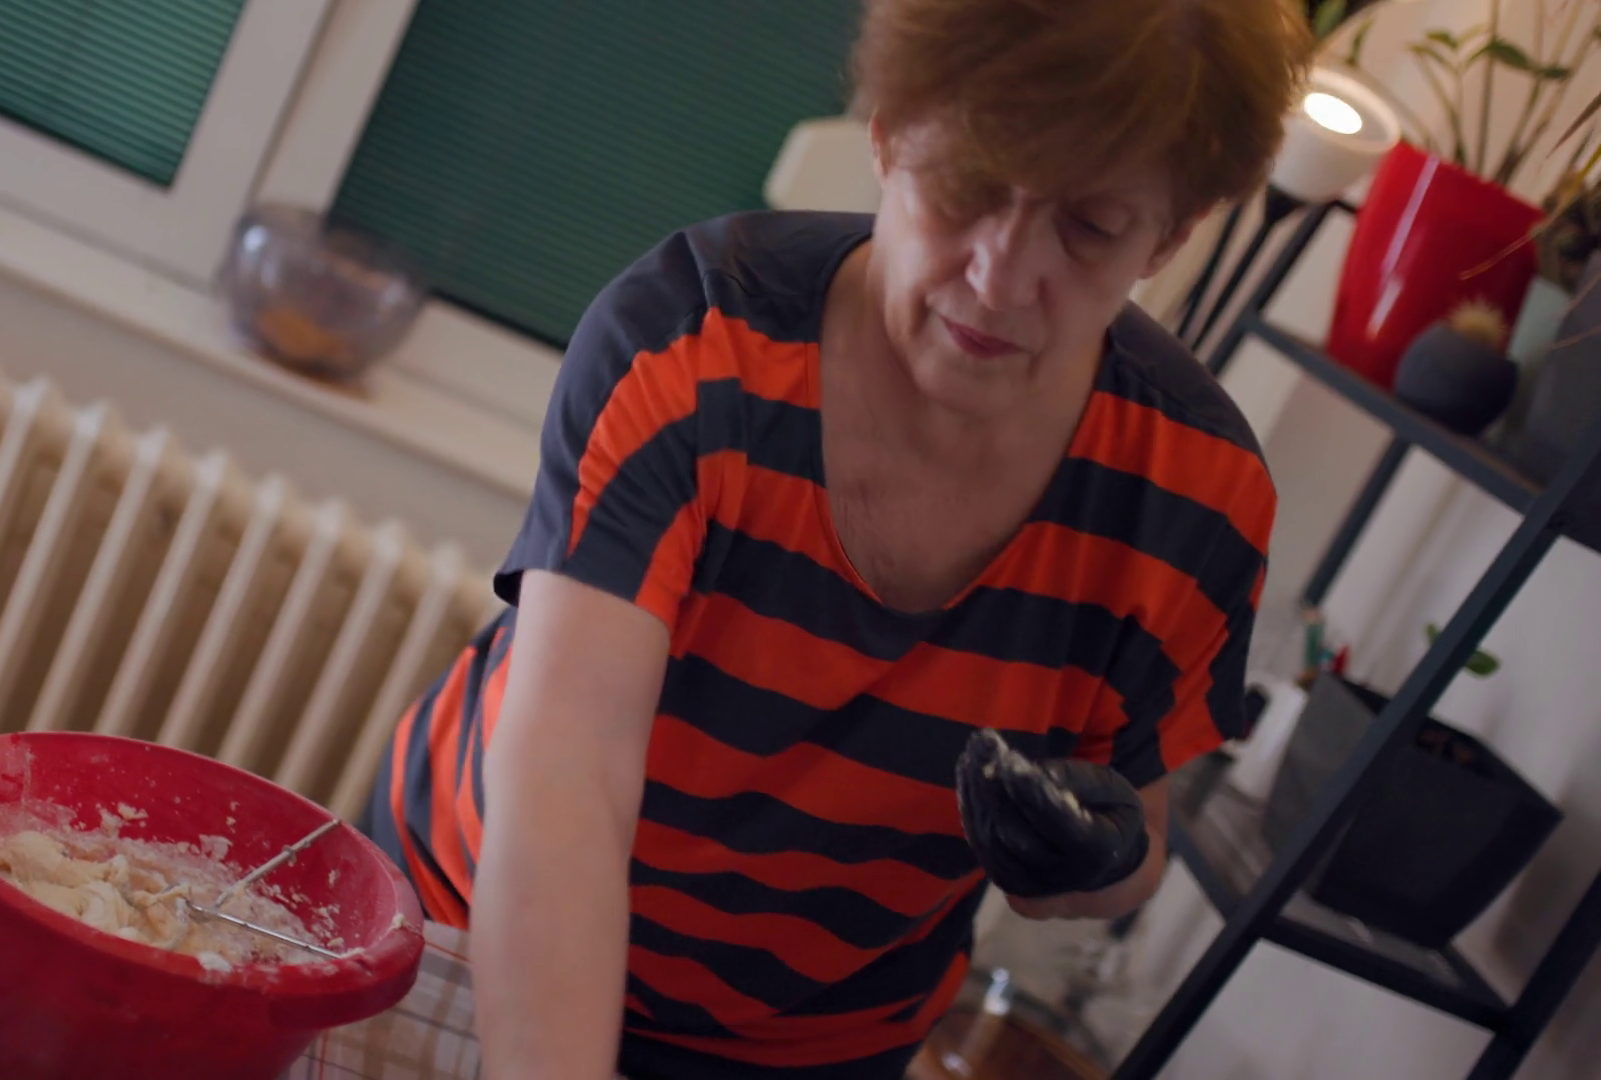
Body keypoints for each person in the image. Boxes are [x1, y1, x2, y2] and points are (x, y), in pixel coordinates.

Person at [365, 0, 1311, 1075]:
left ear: (1171, 237)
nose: (1001, 278)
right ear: (888, 133)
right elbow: (566, 788)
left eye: (1089, 229)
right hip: (470, 932)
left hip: (811, 1047)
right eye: (969, 187)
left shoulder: (1194, 502)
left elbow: (1130, 849)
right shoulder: (692, 345)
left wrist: (1091, 858)